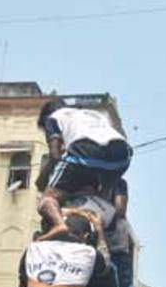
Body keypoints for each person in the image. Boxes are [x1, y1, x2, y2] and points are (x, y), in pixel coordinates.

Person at [36, 99, 133, 240]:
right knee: (99, 200)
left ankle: (59, 225)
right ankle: (99, 234)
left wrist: (52, 170)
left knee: (47, 199)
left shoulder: (54, 118)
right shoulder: (93, 115)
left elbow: (54, 155)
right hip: (121, 156)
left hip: (85, 151)